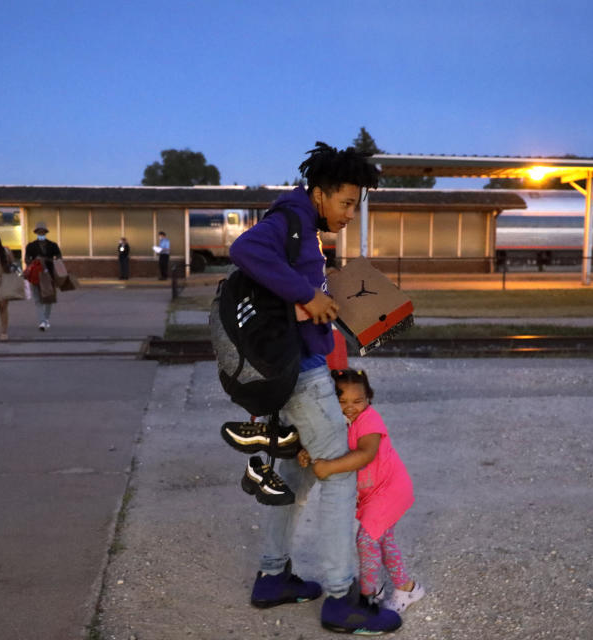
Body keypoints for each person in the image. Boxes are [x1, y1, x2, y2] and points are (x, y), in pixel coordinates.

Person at [227, 142, 400, 634]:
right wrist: (307, 293)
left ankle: (272, 575)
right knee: (340, 473)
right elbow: (245, 249)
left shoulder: (303, 226)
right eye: (345, 203)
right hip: (299, 371)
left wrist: (322, 294)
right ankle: (342, 598)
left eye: (356, 204)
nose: (349, 213)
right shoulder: (292, 219)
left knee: (297, 475)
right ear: (319, 193)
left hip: (290, 365)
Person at [298, 369, 425, 614]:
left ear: (369, 399)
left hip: (389, 490)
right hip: (374, 493)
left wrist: (329, 467)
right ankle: (407, 588)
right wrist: (308, 451)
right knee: (383, 540)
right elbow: (328, 443)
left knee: (366, 541)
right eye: (342, 401)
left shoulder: (370, 420)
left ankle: (368, 596)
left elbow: (366, 453)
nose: (350, 407)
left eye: (358, 401)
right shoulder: (340, 422)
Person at [25, 221, 62, 331]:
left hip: (49, 275)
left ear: (45, 232)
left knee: (48, 299)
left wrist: (46, 260)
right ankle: (42, 321)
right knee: (37, 299)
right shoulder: (31, 246)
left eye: (43, 232)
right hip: (35, 275)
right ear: (36, 233)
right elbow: (26, 260)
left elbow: (59, 258)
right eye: (39, 232)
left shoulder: (53, 245)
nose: (41, 234)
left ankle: (45, 319)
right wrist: (33, 261)